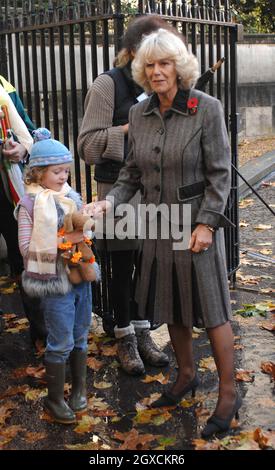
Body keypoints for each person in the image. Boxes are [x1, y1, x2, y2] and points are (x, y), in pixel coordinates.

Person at [87, 28, 242, 438]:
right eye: (150, 65)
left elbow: (219, 174)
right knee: (171, 304)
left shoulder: (204, 108)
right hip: (158, 222)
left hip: (195, 225)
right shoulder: (138, 115)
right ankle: (185, 375)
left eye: (165, 63)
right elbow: (131, 173)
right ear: (141, 69)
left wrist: (208, 223)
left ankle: (228, 392)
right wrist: (108, 202)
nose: (157, 72)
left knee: (212, 311)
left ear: (179, 67)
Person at [78, 15, 170, 376]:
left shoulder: (165, 84)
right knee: (120, 266)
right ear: (132, 51)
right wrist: (130, 129)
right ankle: (124, 336)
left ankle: (144, 330)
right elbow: (86, 147)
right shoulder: (107, 85)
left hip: (157, 193)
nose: (157, 65)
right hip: (118, 190)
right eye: (150, 56)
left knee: (150, 264)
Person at [16, 128, 96, 424]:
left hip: (80, 277)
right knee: (60, 339)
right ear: (37, 174)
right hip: (53, 282)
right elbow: (26, 247)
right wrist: (63, 239)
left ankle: (78, 390)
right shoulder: (28, 206)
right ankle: (54, 398)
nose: (63, 176)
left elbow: (85, 231)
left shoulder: (70, 197)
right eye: (56, 172)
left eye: (66, 171)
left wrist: (87, 230)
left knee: (79, 336)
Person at [0, 77, 47, 345]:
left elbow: (27, 133)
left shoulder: (3, 85)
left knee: (22, 255)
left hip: (7, 187)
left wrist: (22, 148)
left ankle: (39, 328)